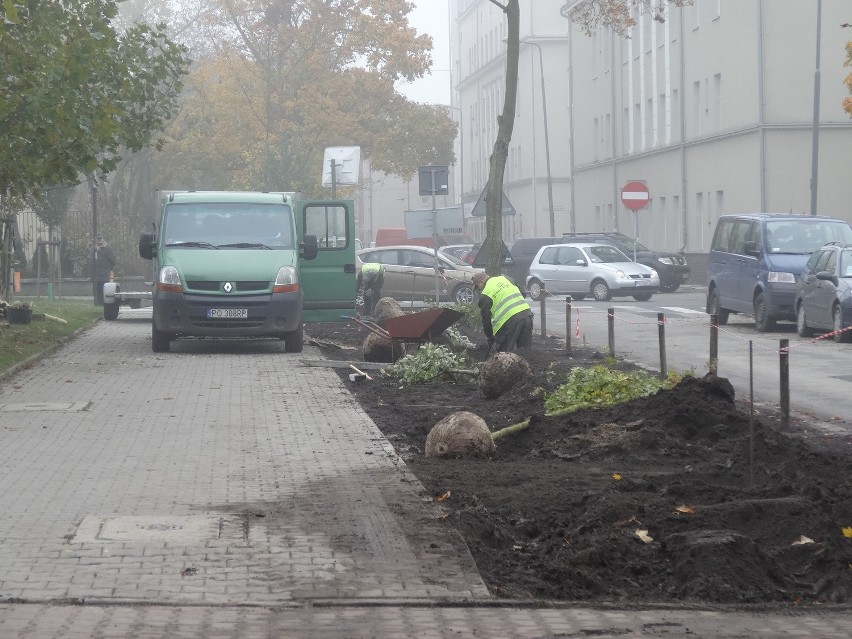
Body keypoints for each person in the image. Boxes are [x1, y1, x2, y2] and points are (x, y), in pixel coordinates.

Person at [472, 271, 533, 353]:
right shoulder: (505, 278)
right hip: (526, 315)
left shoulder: (485, 294)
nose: (479, 289)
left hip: (509, 322)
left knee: (505, 355)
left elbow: (486, 320)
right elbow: (523, 292)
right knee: (525, 351)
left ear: (481, 281)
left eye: (478, 286)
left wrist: (490, 337)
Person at [90, 235, 117, 306]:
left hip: (104, 274)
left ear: (102, 239)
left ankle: (103, 303)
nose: (99, 240)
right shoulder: (94, 249)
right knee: (96, 290)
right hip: (95, 274)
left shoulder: (107, 249)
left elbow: (113, 261)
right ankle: (97, 303)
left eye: (100, 239)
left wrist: (108, 268)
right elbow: (91, 261)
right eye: (97, 239)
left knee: (103, 289)